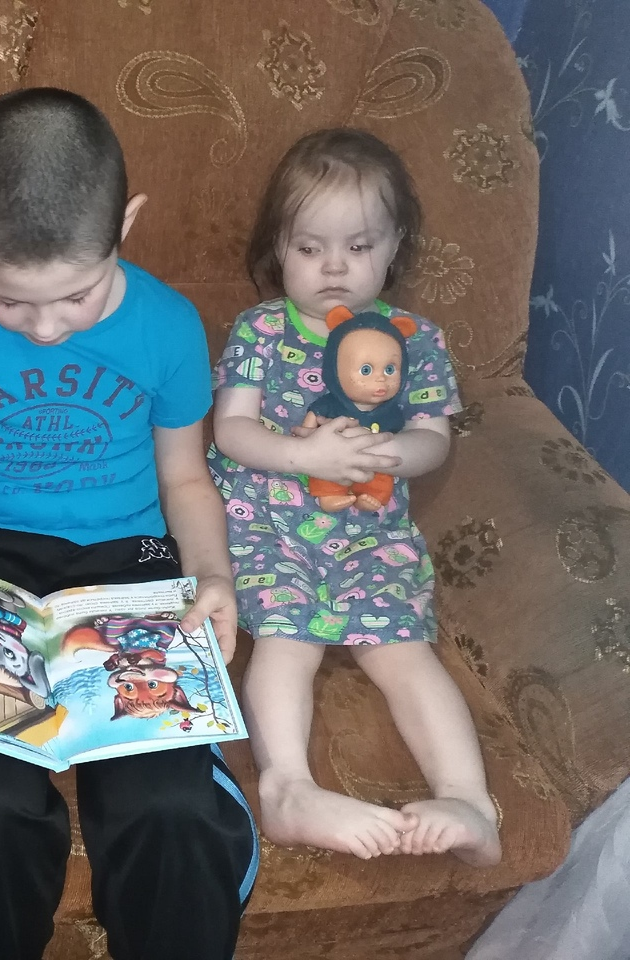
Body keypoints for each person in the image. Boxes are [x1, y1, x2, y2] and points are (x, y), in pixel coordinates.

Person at [0, 87, 258, 960]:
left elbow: (185, 477)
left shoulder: (169, 324)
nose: (46, 328)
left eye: (77, 296)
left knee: (170, 808)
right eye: (9, 300)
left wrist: (214, 576)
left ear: (128, 222)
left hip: (131, 565)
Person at [209, 127, 500, 865]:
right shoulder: (261, 330)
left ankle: (469, 799)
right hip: (268, 524)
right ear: (279, 247)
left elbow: (434, 438)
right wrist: (303, 455)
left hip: (371, 531)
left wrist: (391, 454)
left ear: (395, 244)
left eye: (359, 246)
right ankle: (287, 788)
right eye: (310, 248)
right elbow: (231, 430)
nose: (334, 266)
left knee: (404, 651)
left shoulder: (416, 340)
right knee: (290, 640)